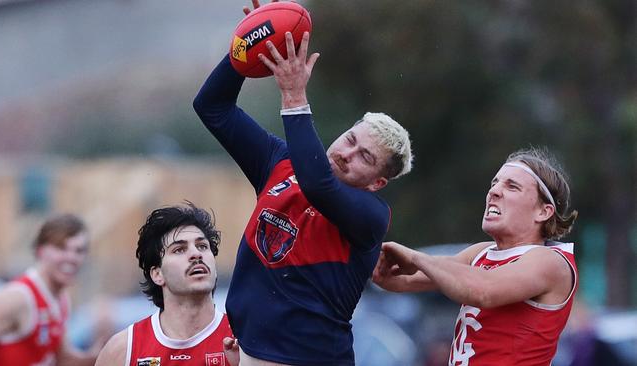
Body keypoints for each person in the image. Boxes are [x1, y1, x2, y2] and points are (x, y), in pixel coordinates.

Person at [193, 1, 413, 364]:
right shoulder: (279, 163)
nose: (347, 152)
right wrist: (247, 48)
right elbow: (212, 106)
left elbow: (318, 185)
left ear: (377, 183)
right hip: (247, 352)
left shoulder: (371, 216)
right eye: (350, 139)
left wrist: (294, 96)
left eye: (366, 157)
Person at [373, 147, 579, 366]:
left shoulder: (551, 261)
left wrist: (415, 258)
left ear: (543, 212)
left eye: (512, 186)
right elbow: (399, 280)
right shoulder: (481, 252)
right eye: (495, 183)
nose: (494, 191)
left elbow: (482, 290)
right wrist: (368, 257)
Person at [95, 202, 238, 366]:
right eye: (179, 249)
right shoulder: (122, 350)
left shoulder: (246, 342)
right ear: (157, 274)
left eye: (202, 246)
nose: (196, 254)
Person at [0, 213, 100, 366]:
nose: (71, 257)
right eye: (61, 248)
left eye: (79, 251)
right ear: (40, 251)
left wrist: (103, 354)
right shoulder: (17, 298)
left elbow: (63, 359)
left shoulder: (62, 299)